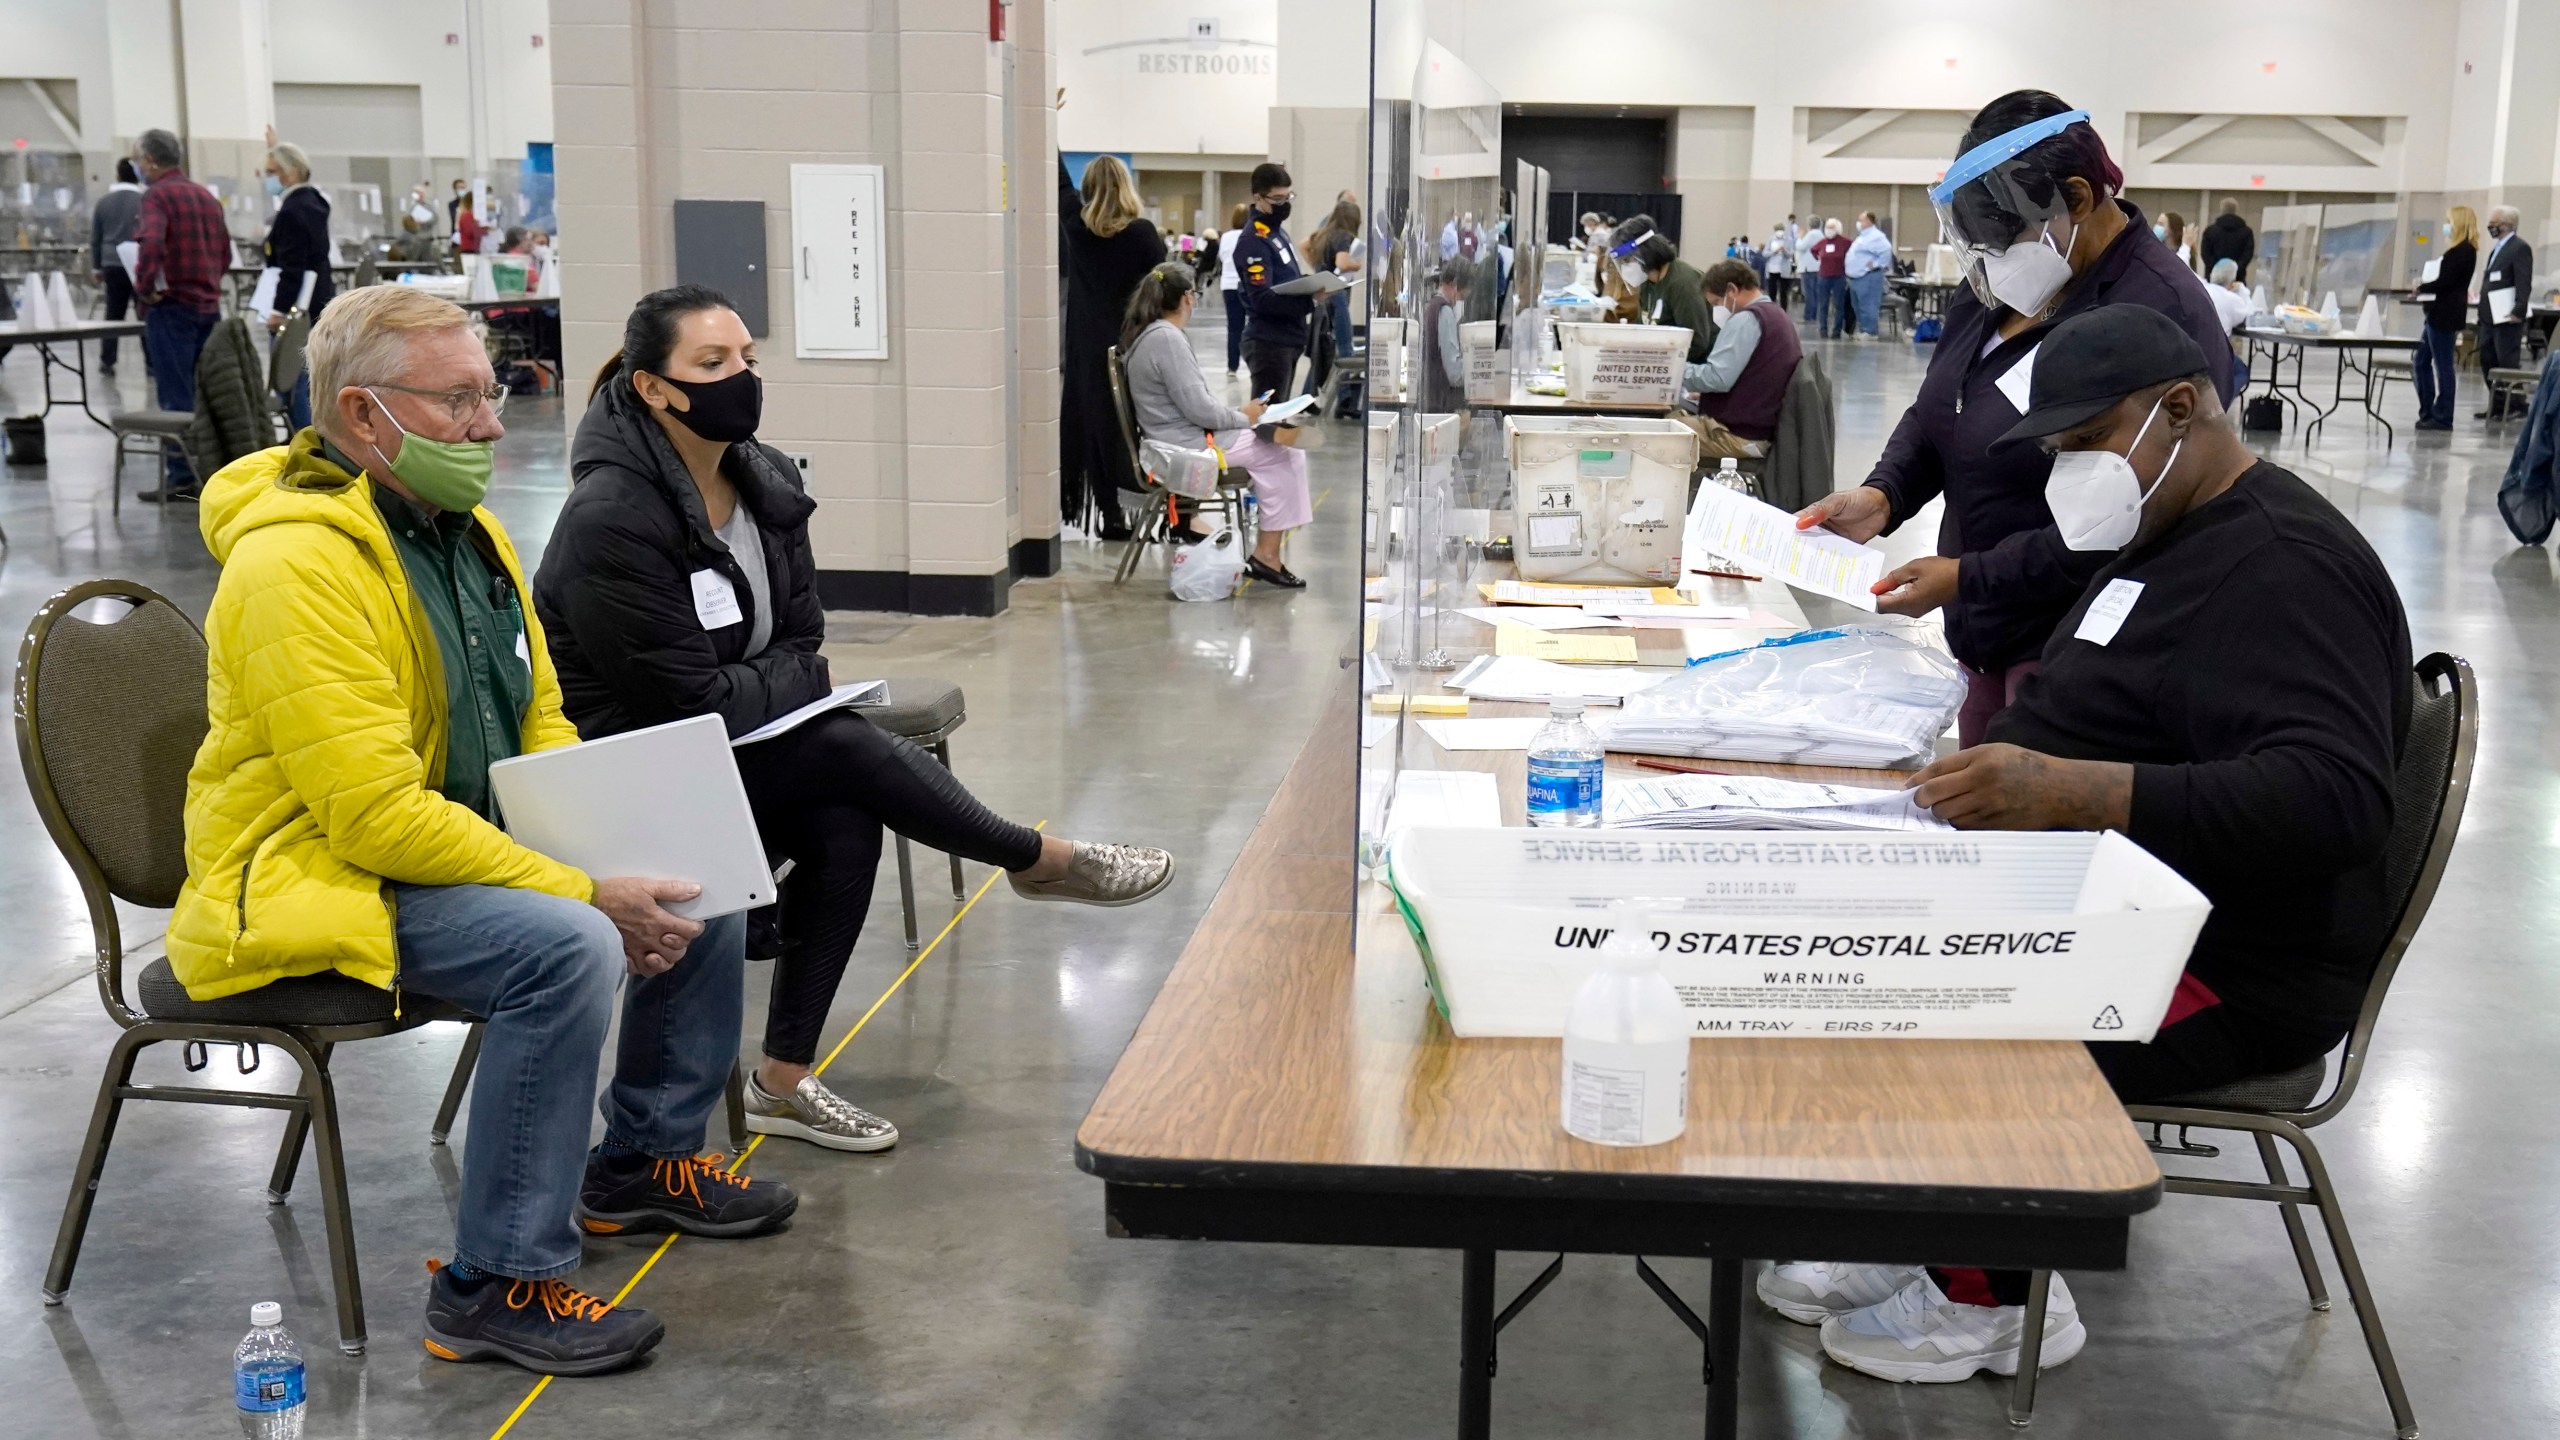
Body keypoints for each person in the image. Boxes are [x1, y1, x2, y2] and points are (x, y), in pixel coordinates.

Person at [1778, 302, 2410, 1387]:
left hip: (2222, 961)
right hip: (2115, 895)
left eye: (2089, 440)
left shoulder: (2283, 568)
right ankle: (1923, 1218)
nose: (2073, 470)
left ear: (2182, 410)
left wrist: (2077, 789)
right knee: (1850, 938)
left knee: (1960, 997)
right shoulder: (2162, 535)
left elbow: (2335, 800)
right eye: (2058, 449)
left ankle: (1995, 1296)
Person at [172, 284, 783, 1375]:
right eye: (458, 403)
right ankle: (496, 1283)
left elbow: (535, 715)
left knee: (693, 875)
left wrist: (603, 843)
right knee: (566, 946)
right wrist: (579, 887)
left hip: (439, 843)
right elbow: (374, 818)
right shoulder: (294, 565)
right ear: (364, 417)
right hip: (319, 873)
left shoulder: (467, 532)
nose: (492, 426)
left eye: (488, 395)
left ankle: (643, 1160)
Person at [538, 285, 1178, 1155]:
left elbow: (806, 643)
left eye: (748, 360)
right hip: (638, 771)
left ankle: (782, 1083)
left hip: (732, 749)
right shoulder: (611, 515)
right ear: (654, 388)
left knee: (844, 820)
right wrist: (781, 682)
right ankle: (1034, 858)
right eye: (713, 364)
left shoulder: (762, 480)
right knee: (838, 743)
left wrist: (773, 680)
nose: (742, 378)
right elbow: (686, 702)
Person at [1793, 92, 2232, 745]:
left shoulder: (2159, 314)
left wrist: (1968, 576)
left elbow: (2131, 522)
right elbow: (1941, 407)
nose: (1995, 258)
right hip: (1983, 631)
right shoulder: (2003, 286)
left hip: (2079, 651)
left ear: (2078, 199)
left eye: (2010, 237)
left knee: (2034, 834)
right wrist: (1886, 494)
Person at [1121, 264, 1314, 587]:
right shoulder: (1167, 339)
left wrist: (1241, 413)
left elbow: (1192, 405)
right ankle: (1267, 555)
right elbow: (1200, 411)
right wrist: (1246, 417)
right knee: (1285, 453)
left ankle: (1267, 550)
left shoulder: (1152, 335)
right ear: (1187, 298)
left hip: (1177, 437)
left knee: (1277, 447)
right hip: (1185, 446)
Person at [1057, 150, 1166, 539]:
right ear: (1127, 186)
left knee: (1099, 427)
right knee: (1139, 427)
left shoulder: (1075, 226)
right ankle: (1155, 507)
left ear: (1088, 189)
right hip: (1133, 344)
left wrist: (1048, 119)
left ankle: (1110, 513)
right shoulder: (1142, 235)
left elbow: (1058, 182)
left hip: (1087, 346)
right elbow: (1161, 286)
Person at [131, 127, 230, 503]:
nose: (139, 167)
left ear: (151, 161)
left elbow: (152, 242)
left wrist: (144, 287)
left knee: (175, 396)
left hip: (172, 309)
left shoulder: (157, 196)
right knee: (206, 391)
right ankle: (211, 469)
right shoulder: (206, 196)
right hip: (208, 307)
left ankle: (180, 475)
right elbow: (224, 253)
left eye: (140, 160)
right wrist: (207, 283)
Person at [1680, 260, 1803, 460]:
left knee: (1657, 436)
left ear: (1732, 290)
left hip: (1739, 436)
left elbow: (1717, 378)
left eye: (1717, 303)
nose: (1717, 310)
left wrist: (1673, 369)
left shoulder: (1746, 320)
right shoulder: (1775, 314)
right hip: (1758, 426)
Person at [259, 140, 337, 432]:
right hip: (317, 302)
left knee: (292, 383)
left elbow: (292, 268)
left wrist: (279, 310)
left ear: (288, 173)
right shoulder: (314, 202)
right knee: (308, 381)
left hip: (297, 308)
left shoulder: (293, 211)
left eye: (270, 172)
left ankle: (304, 440)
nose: (266, 179)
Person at [1233, 162, 1319, 414]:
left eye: (1288, 196)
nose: (1285, 204)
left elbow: (1285, 280)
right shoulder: (1254, 241)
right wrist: (1309, 300)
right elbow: (1262, 298)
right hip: (1269, 342)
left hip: (1287, 337)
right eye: (1278, 199)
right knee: (1267, 420)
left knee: (1278, 417)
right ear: (1258, 197)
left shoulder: (1277, 234)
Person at [1607, 217, 1713, 363]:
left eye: (1626, 260)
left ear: (1644, 253)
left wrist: (1655, 363)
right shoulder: (1647, 282)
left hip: (1694, 369)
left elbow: (1696, 342)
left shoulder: (1682, 283)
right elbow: (1643, 328)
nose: (1624, 268)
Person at [2413, 206, 2479, 431]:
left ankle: (2442, 415)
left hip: (2445, 314)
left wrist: (2421, 287)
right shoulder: (2457, 251)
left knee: (2443, 366)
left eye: (2449, 221)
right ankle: (2427, 409)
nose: (2446, 226)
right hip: (2437, 312)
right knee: (2421, 361)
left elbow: (2445, 282)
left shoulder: (2464, 251)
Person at [2477, 204, 2535, 420]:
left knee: (2507, 362)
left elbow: (2523, 280)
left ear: (2507, 226)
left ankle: (2517, 405)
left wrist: (2518, 309)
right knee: (2488, 360)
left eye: (2495, 224)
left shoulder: (2519, 248)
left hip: (2507, 316)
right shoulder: (2498, 248)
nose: (2491, 227)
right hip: (2490, 315)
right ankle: (2499, 405)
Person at [1304, 197, 1363, 398]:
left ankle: (1308, 395)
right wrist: (1357, 264)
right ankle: (1346, 398)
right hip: (1337, 295)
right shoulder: (1344, 237)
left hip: (1323, 296)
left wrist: (1319, 269)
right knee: (1345, 346)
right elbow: (1343, 262)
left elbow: (1304, 245)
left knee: (1321, 348)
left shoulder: (1323, 235)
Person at [89, 158, 144, 375]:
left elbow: (96, 238)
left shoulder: (104, 202)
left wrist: (96, 267)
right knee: (143, 313)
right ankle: (151, 362)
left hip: (111, 262)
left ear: (117, 174)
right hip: (139, 262)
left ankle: (107, 360)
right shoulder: (144, 200)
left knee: (113, 314)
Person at [1422, 265, 1471, 412]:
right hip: (1441, 401)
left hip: (1431, 396)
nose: (1459, 301)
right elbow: (1454, 373)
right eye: (1461, 296)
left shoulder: (1432, 306)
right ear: (1454, 285)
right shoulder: (1445, 312)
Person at [1844, 212, 1893, 338]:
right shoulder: (1862, 236)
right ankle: (1863, 329)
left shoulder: (1876, 236)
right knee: (1858, 306)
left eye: (1861, 220)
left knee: (1868, 305)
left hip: (1868, 277)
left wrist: (1877, 264)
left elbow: (1887, 249)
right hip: (1856, 278)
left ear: (1869, 221)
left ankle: (1870, 331)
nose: (1858, 223)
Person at [1216, 203, 1250, 375]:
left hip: (1228, 284)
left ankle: (1232, 366)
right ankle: (1252, 361)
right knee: (1252, 324)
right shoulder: (1250, 235)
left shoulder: (1226, 237)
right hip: (1246, 284)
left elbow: (1222, 257)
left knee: (1234, 327)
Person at [1807, 219, 1851, 338]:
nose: (1829, 230)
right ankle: (1823, 330)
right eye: (1827, 227)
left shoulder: (1845, 242)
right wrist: (1818, 257)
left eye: (1831, 227)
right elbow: (1813, 250)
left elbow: (1852, 252)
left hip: (1839, 277)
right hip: (1823, 276)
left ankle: (1836, 331)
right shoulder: (1822, 242)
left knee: (1839, 305)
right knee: (1823, 304)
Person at [2197, 197, 2253, 281]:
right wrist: (2235, 270)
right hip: (2237, 280)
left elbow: (2205, 254)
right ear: (2235, 210)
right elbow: (2247, 255)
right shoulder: (2247, 232)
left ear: (2221, 209)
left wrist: (2216, 270)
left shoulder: (2210, 231)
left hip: (2213, 279)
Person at [2203, 257, 2254, 335]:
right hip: (2217, 345)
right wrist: (2242, 290)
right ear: (2232, 281)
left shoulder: (2202, 289)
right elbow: (2250, 315)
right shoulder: (2231, 299)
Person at [1762, 222, 1797, 312]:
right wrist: (1774, 251)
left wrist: (1784, 250)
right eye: (1777, 230)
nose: (1779, 232)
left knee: (1783, 292)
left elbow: (1790, 254)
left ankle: (1783, 310)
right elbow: (1765, 253)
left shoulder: (1789, 240)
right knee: (1772, 291)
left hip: (1784, 269)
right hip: (1772, 269)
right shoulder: (1771, 239)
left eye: (1781, 230)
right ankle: (1771, 310)